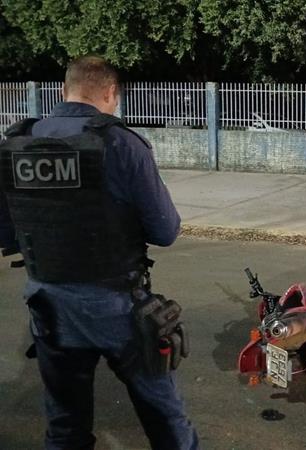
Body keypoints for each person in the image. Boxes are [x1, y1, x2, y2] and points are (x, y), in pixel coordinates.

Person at [0, 56, 199, 450]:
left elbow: (6, 232)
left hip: (50, 307)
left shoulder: (15, 145)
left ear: (64, 91)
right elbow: (165, 231)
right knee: (165, 419)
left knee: (65, 427)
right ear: (110, 93)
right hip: (117, 308)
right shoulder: (121, 143)